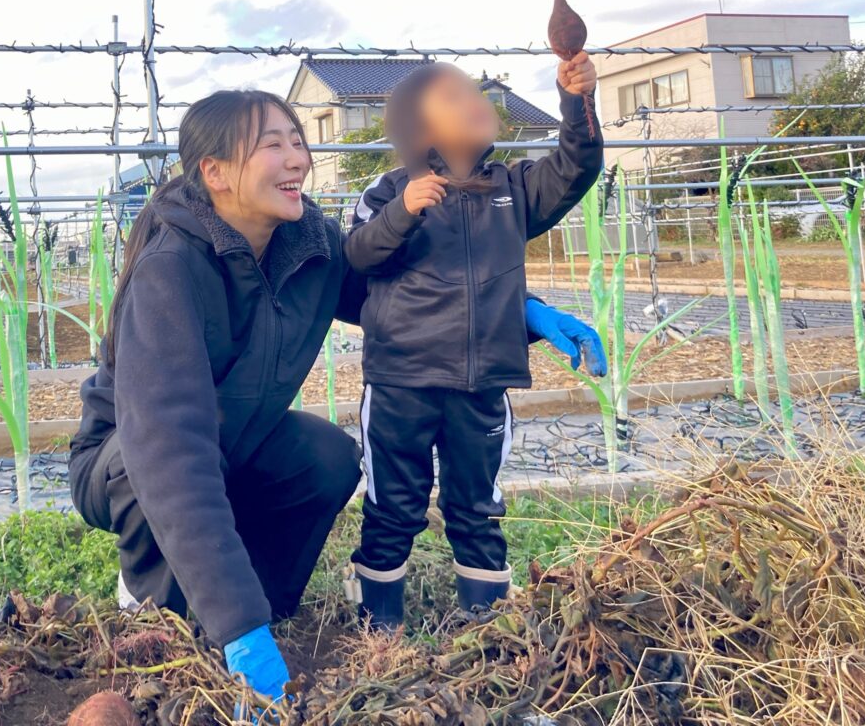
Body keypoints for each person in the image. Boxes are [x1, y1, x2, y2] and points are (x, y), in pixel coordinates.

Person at [68, 90, 368, 705]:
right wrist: (240, 627)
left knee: (326, 456)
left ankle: (254, 608)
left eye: (298, 140)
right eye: (273, 145)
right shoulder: (170, 268)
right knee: (151, 467)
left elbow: (394, 299)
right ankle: (148, 603)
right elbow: (170, 449)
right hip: (127, 459)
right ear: (216, 173)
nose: (298, 159)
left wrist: (513, 311)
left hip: (237, 437)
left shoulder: (310, 243)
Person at [344, 54, 606, 631]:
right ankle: (376, 624)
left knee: (477, 507)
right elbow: (357, 256)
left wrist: (576, 102)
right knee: (394, 505)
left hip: (484, 383)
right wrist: (402, 214)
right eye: (453, 96)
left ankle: (486, 628)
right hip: (400, 385)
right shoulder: (388, 191)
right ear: (418, 128)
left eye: (476, 92)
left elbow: (575, 167)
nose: (474, 101)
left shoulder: (512, 187)